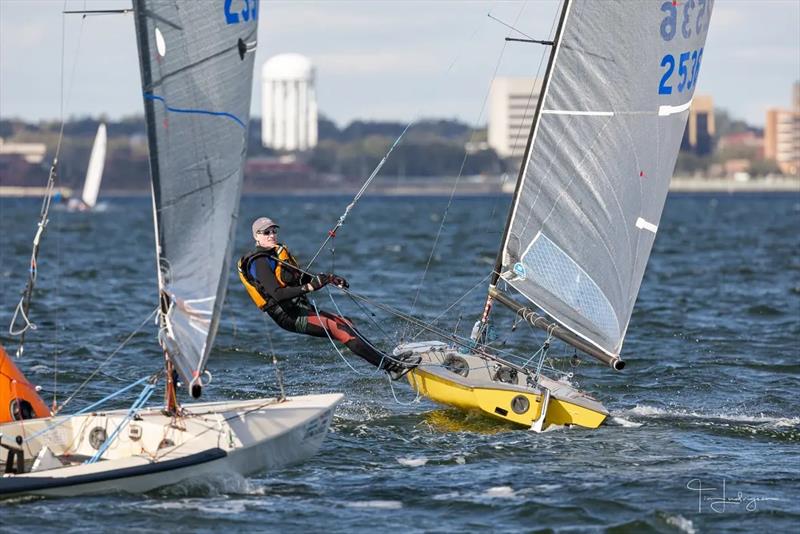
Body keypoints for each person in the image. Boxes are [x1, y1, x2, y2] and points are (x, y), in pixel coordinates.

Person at [238, 217, 419, 379]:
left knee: (345, 323)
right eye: (266, 232)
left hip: (297, 307)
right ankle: (391, 367)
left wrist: (328, 278)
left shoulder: (275, 254)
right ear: (256, 237)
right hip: (286, 315)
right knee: (339, 329)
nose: (271, 235)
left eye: (273, 231)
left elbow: (297, 277)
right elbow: (277, 294)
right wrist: (309, 287)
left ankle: (387, 359)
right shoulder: (259, 262)